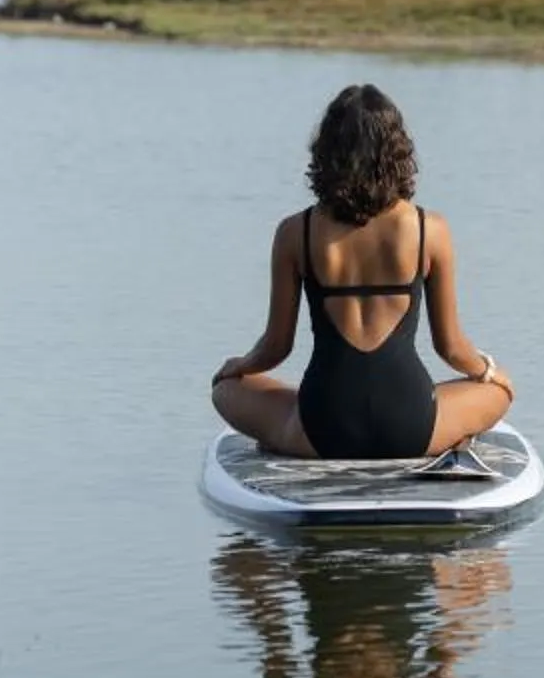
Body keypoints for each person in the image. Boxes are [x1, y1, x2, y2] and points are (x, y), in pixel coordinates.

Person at [211, 83, 514, 459]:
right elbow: (450, 347)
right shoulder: (429, 229)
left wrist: (238, 366)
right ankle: (450, 437)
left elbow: (275, 348)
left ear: (326, 152)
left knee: (225, 389)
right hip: (411, 427)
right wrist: (488, 371)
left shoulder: (296, 233)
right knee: (499, 391)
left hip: (323, 429)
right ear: (398, 151)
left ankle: (285, 438)